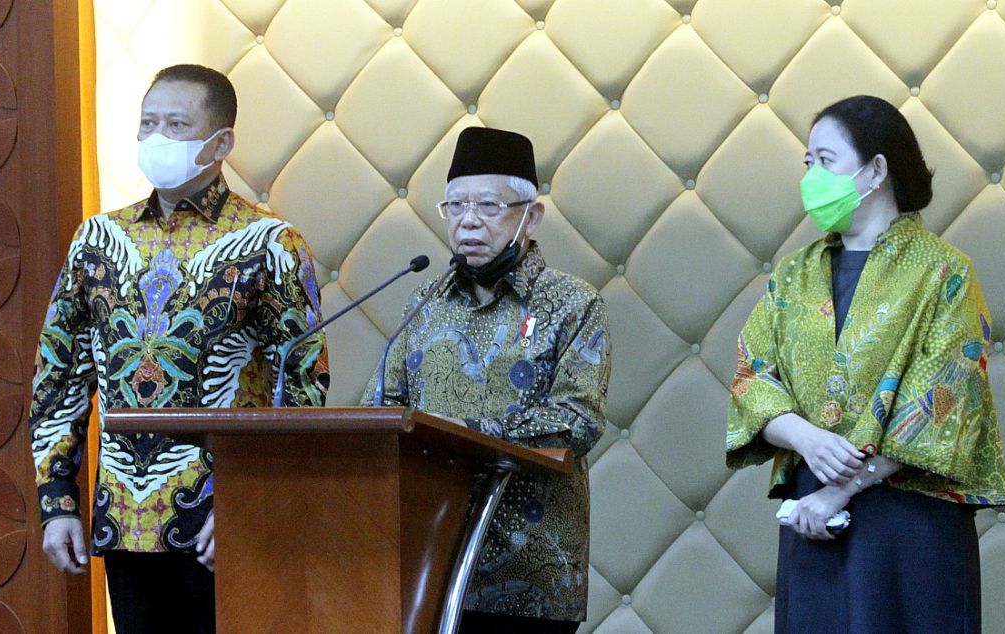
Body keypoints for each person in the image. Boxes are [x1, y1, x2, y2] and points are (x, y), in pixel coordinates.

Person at [30, 64, 328, 633]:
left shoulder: (271, 243)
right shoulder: (97, 239)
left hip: (225, 519)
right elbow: (59, 377)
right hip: (125, 518)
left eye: (176, 123)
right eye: (148, 123)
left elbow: (304, 387)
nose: (157, 136)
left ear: (220, 143)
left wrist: (255, 501)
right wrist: (57, 501)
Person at [726, 95, 1005, 633]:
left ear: (876, 169)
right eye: (807, 162)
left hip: (908, 522)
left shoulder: (945, 271)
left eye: (825, 160)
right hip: (814, 518)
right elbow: (751, 375)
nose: (811, 176)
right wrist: (808, 442)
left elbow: (945, 396)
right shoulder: (792, 275)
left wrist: (844, 486)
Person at [362, 127, 610, 633]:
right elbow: (381, 412)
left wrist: (460, 433)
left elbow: (578, 420)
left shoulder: (573, 302)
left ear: (531, 215)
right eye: (455, 207)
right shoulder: (423, 303)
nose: (469, 222)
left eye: (489, 207)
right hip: (425, 555)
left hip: (530, 567)